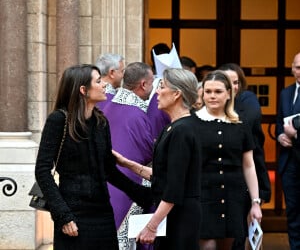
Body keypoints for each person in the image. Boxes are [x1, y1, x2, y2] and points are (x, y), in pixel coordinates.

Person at [35, 64, 152, 250]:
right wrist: (63, 215)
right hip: (72, 216)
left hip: (103, 214)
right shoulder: (58, 120)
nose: (104, 84)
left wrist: (143, 195)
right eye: (98, 81)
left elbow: (108, 170)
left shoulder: (100, 121)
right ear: (83, 90)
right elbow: (42, 171)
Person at [113, 68, 202, 250]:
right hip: (172, 214)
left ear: (177, 94)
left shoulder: (183, 130)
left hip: (180, 217)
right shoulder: (173, 127)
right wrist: (126, 163)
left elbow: (174, 186)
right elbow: (163, 176)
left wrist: (152, 226)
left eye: (161, 86)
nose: (157, 92)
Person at [195, 70, 262, 250]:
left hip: (233, 196)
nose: (212, 96)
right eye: (208, 91)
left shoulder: (240, 124)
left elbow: (248, 165)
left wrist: (255, 202)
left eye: (218, 92)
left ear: (228, 94)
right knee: (206, 246)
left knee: (229, 246)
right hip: (202, 196)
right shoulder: (191, 124)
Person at [102, 62, 155, 249]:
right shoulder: (137, 114)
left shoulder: (108, 106)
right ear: (143, 84)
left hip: (106, 184)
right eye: (152, 82)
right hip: (127, 184)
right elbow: (148, 151)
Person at [218, 63, 271, 250]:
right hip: (218, 183)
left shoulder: (247, 100)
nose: (232, 86)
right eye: (226, 82)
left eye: (236, 82)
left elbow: (246, 122)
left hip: (247, 176)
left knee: (241, 235)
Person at [276, 52, 300, 250]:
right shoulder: (286, 93)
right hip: (289, 162)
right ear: (292, 68)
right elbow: (279, 123)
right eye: (297, 67)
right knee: (292, 211)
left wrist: (296, 136)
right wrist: (280, 136)